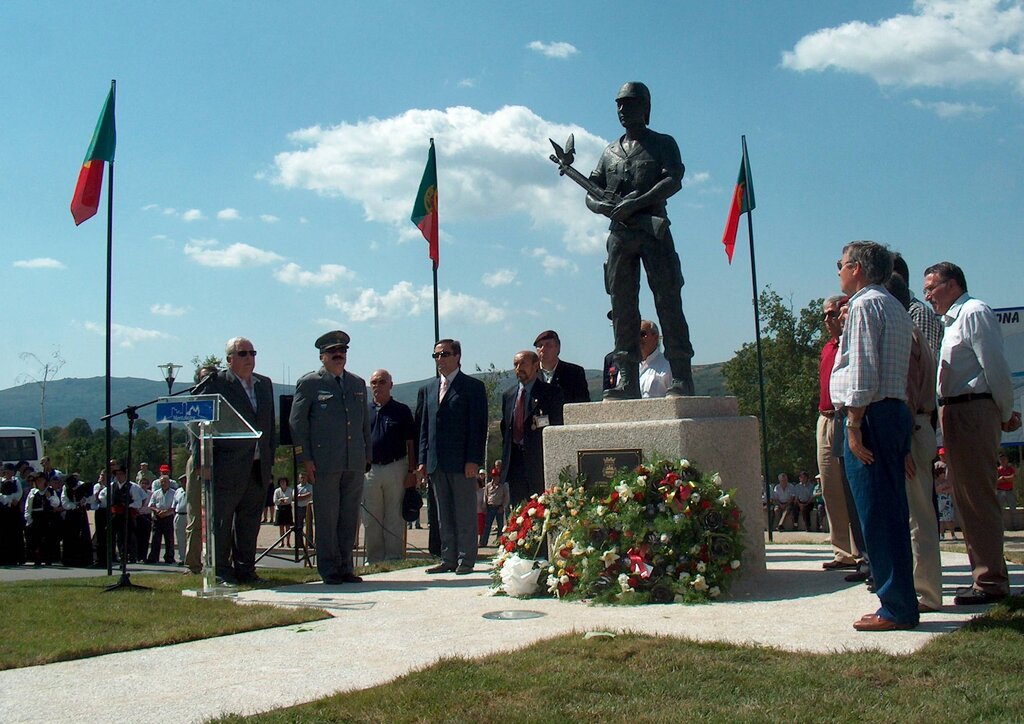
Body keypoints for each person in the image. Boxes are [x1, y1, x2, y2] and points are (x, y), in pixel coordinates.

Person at [586, 81, 694, 399]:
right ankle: (627, 380)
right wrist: (605, 207)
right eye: (619, 105)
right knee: (622, 307)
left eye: (630, 104)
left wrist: (636, 203)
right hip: (620, 236)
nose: (623, 110)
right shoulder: (609, 152)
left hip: (652, 230)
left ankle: (682, 377)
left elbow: (673, 179)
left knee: (668, 299)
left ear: (645, 107)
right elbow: (592, 191)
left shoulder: (662, 143)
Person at [923, 261, 1022, 605]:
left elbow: (994, 366)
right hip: (956, 410)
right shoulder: (950, 322)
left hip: (973, 408)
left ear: (952, 284)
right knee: (967, 499)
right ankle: (983, 575)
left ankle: (992, 580)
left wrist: (1005, 413)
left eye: (931, 288)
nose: (928, 296)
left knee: (977, 496)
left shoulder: (974, 313)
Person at [831, 240, 917, 631]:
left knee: (875, 514)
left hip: (871, 416)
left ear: (859, 269)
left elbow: (863, 369)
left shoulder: (865, 305)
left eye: (842, 263)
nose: (838, 270)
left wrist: (852, 424)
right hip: (894, 411)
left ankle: (894, 606)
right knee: (893, 512)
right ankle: (900, 600)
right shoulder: (896, 305)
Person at [289, 330, 371, 585]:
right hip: (324, 463)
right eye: (334, 352)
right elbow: (297, 423)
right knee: (327, 517)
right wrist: (306, 459)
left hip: (353, 461)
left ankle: (346, 566)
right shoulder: (310, 383)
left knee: (349, 517)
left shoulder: (357, 384)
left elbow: (364, 424)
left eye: (343, 351)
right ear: (322, 356)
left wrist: (366, 455)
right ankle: (328, 568)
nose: (339, 356)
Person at [885, 270, 942, 613]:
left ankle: (926, 593)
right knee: (919, 515)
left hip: (913, 429)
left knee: (917, 518)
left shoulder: (905, 336)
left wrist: (902, 441)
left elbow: (905, 391)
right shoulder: (915, 331)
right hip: (920, 427)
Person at [199, 336, 276, 584]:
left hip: (257, 466)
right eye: (243, 354)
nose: (249, 358)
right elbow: (199, 422)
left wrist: (269, 459)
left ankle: (246, 570)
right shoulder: (217, 382)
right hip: (226, 466)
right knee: (221, 521)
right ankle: (221, 570)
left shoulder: (264, 384)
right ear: (230, 359)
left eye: (252, 353)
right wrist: (204, 462)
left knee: (249, 522)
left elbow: (269, 427)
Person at [418, 338, 488, 575]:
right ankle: (448, 558)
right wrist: (422, 460)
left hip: (461, 463)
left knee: (464, 513)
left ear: (457, 356)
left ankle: (466, 559)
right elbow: (424, 428)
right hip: (436, 463)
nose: (440, 359)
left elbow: (478, 427)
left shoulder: (472, 387)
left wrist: (473, 460)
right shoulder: (428, 389)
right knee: (443, 514)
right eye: (436, 355)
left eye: (445, 354)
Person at [817, 294, 860, 570]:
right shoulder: (827, 348)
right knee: (830, 486)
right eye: (824, 315)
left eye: (832, 314)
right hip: (824, 418)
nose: (827, 320)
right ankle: (842, 551)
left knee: (852, 486)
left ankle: (861, 551)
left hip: (845, 417)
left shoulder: (850, 346)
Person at [365, 368, 417, 563]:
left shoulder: (401, 411)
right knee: (371, 518)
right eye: (374, 382)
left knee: (394, 516)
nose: (377, 386)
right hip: (370, 470)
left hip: (396, 467)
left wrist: (411, 471)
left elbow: (411, 443)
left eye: (382, 382)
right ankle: (374, 559)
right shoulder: (364, 410)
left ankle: (394, 558)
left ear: (391, 385)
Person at [500, 350, 565, 507]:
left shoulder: (550, 393)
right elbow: (505, 429)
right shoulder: (508, 396)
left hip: (539, 463)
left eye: (523, 363)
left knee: (541, 509)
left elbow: (557, 426)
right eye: (515, 364)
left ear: (536, 365)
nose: (518, 368)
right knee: (518, 512)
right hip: (515, 465)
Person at [184, 364, 218, 575]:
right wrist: (199, 464)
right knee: (196, 515)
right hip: (199, 460)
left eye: (213, 378)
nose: (209, 382)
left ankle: (219, 562)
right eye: (205, 378)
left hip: (220, 460)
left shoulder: (224, 403)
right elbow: (195, 437)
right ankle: (192, 563)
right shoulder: (195, 402)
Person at [533, 330, 591, 404]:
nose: (543, 349)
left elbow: (583, 404)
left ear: (558, 347)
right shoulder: (531, 373)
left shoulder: (574, 373)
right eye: (540, 346)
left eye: (548, 345)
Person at [24, 472, 60, 566]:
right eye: (37, 480)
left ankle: (48, 559)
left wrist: (50, 497)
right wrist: (29, 519)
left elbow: (56, 503)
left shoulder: (50, 491)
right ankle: (37, 559)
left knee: (48, 539)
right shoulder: (33, 492)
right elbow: (28, 506)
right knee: (36, 539)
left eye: (41, 480)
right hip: (36, 517)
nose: (39, 482)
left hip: (47, 517)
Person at [59, 473, 93, 567]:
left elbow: (91, 497)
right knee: (70, 536)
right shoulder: (66, 488)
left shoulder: (83, 486)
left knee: (83, 536)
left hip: (81, 513)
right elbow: (65, 502)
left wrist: (85, 500)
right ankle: (70, 559)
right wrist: (74, 506)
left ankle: (85, 560)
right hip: (71, 514)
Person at [147, 471, 177, 564]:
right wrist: (157, 511)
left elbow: (175, 506)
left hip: (168, 517)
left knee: (169, 538)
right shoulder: (156, 493)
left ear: (169, 483)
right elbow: (151, 505)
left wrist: (166, 512)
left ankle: (169, 557)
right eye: (162, 482)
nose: (163, 483)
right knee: (156, 538)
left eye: (165, 481)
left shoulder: (174, 493)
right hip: (158, 517)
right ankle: (153, 557)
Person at [638, 320, 672, 399]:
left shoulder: (668, 365)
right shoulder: (627, 368)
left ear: (656, 337)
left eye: (642, 334)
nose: (638, 338)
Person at [0, 462, 25, 565]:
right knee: (3, 533)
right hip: (3, 510)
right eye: (7, 471)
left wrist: (15, 499)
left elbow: (20, 492)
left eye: (11, 471)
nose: (9, 474)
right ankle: (4, 557)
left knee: (15, 533)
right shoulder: (0, 482)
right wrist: (7, 499)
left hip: (14, 511)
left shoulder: (16, 481)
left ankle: (17, 558)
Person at [480, 464, 509, 547]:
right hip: (490, 507)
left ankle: (498, 542)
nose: (494, 478)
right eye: (493, 476)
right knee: (487, 526)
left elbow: (506, 497)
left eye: (496, 476)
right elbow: (485, 496)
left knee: (500, 526)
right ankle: (483, 542)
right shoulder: (488, 486)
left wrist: (503, 506)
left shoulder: (503, 486)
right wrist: (484, 506)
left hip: (499, 507)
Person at [934, 449, 957, 540]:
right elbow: (936, 488)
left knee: (950, 517)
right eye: (941, 455)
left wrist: (946, 487)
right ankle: (941, 534)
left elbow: (951, 484)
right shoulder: (936, 464)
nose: (943, 456)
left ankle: (952, 533)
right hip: (939, 498)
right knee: (940, 518)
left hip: (948, 497)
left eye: (944, 454)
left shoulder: (950, 465)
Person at [272, 477, 294, 548]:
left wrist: (283, 500)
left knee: (288, 526)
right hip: (279, 509)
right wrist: (281, 501)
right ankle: (282, 542)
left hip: (287, 509)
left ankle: (288, 542)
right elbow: (275, 500)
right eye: (281, 481)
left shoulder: (290, 490)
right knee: (281, 527)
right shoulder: (277, 490)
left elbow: (290, 499)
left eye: (284, 481)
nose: (282, 483)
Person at [173, 475, 188, 566]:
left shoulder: (193, 489)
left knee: (191, 538)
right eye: (182, 481)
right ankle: (182, 558)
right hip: (179, 515)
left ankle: (191, 558)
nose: (183, 483)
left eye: (185, 481)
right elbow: (174, 504)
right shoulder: (178, 491)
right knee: (180, 538)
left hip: (189, 515)